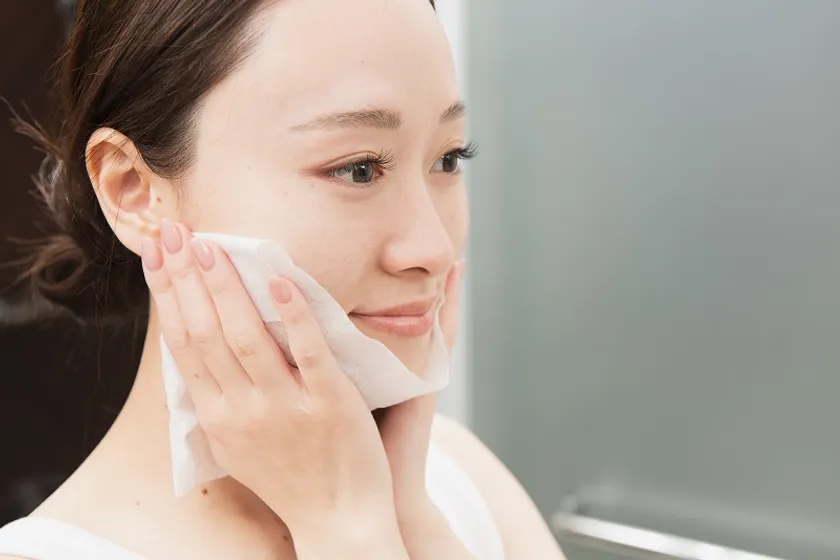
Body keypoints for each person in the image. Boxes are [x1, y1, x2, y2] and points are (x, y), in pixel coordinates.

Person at [0, 0, 565, 558]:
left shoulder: (461, 480)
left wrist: (399, 519)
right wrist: (345, 527)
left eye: (449, 158)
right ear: (134, 191)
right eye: (359, 169)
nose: (434, 249)